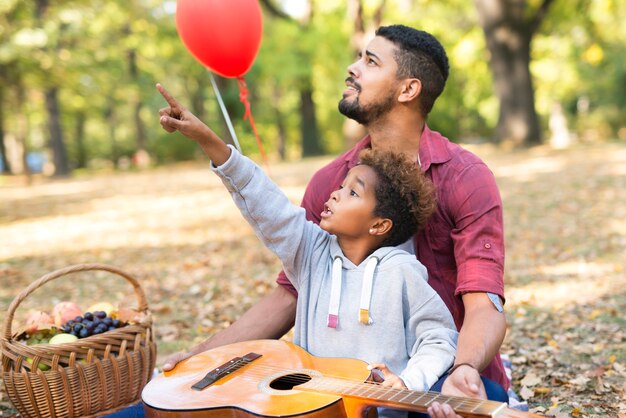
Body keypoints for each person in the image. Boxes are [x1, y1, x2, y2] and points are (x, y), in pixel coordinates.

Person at [162, 24, 508, 418]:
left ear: (407, 90)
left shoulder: (464, 177)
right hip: (332, 384)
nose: (352, 67)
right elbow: (291, 292)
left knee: (459, 404)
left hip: (437, 372)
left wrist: (463, 369)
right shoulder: (332, 182)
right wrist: (203, 360)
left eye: (370, 61)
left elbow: (484, 304)